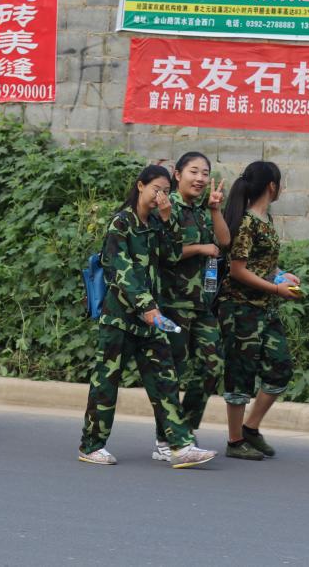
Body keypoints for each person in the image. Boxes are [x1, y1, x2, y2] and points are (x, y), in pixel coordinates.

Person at [78, 164, 216, 469]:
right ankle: (91, 445)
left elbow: (171, 255)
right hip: (121, 318)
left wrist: (167, 220)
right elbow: (120, 270)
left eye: (166, 191)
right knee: (106, 381)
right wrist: (146, 307)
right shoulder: (121, 222)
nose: (161, 196)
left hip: (151, 319)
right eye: (156, 189)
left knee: (165, 379)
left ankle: (180, 445)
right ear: (140, 186)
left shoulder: (155, 221)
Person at [152, 152, 231, 461]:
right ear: (177, 174)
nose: (199, 178)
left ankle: (182, 431)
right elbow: (164, 251)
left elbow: (223, 242)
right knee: (172, 372)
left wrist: (215, 209)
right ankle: (166, 440)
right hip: (172, 303)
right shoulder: (166, 207)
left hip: (201, 305)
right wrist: (199, 248)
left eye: (205, 173)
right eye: (193, 171)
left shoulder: (202, 210)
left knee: (213, 366)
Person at [219, 160, 300, 461]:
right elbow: (238, 270)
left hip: (265, 308)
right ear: (272, 186)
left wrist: (282, 275)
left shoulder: (266, 219)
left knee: (281, 368)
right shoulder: (246, 222)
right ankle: (235, 440)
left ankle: (250, 428)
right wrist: (276, 289)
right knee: (240, 374)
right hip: (240, 309)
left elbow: (263, 263)